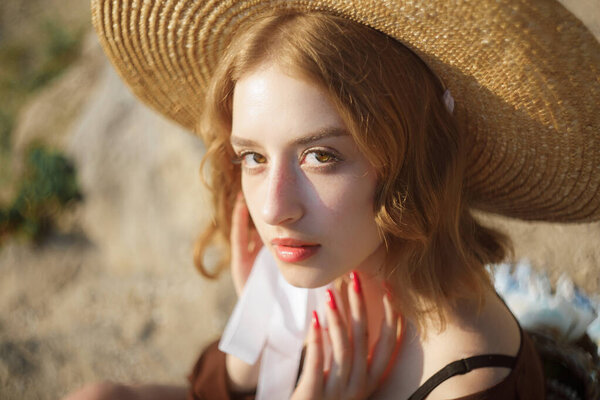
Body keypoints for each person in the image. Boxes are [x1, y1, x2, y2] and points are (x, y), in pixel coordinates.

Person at [66, 0, 600, 399]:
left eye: (320, 156)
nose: (274, 209)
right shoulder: (338, 257)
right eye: (253, 156)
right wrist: (250, 348)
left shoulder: (467, 381)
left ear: (408, 155)